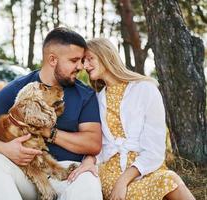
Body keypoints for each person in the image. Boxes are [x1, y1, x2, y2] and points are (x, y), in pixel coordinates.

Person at [0, 27, 103, 200]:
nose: (81, 67)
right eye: (74, 60)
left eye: (82, 60)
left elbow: (93, 143)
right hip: (25, 172)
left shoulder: (85, 95)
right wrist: (4, 149)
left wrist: (49, 132)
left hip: (67, 174)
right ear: (53, 59)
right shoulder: (18, 89)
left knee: (89, 180)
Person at [68, 38, 195, 200]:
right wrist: (89, 160)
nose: (85, 66)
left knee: (170, 179)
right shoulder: (96, 100)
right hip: (110, 173)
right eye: (83, 61)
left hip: (147, 168)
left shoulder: (145, 89)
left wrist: (124, 180)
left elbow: (155, 149)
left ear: (106, 55)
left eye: (89, 59)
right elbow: (97, 143)